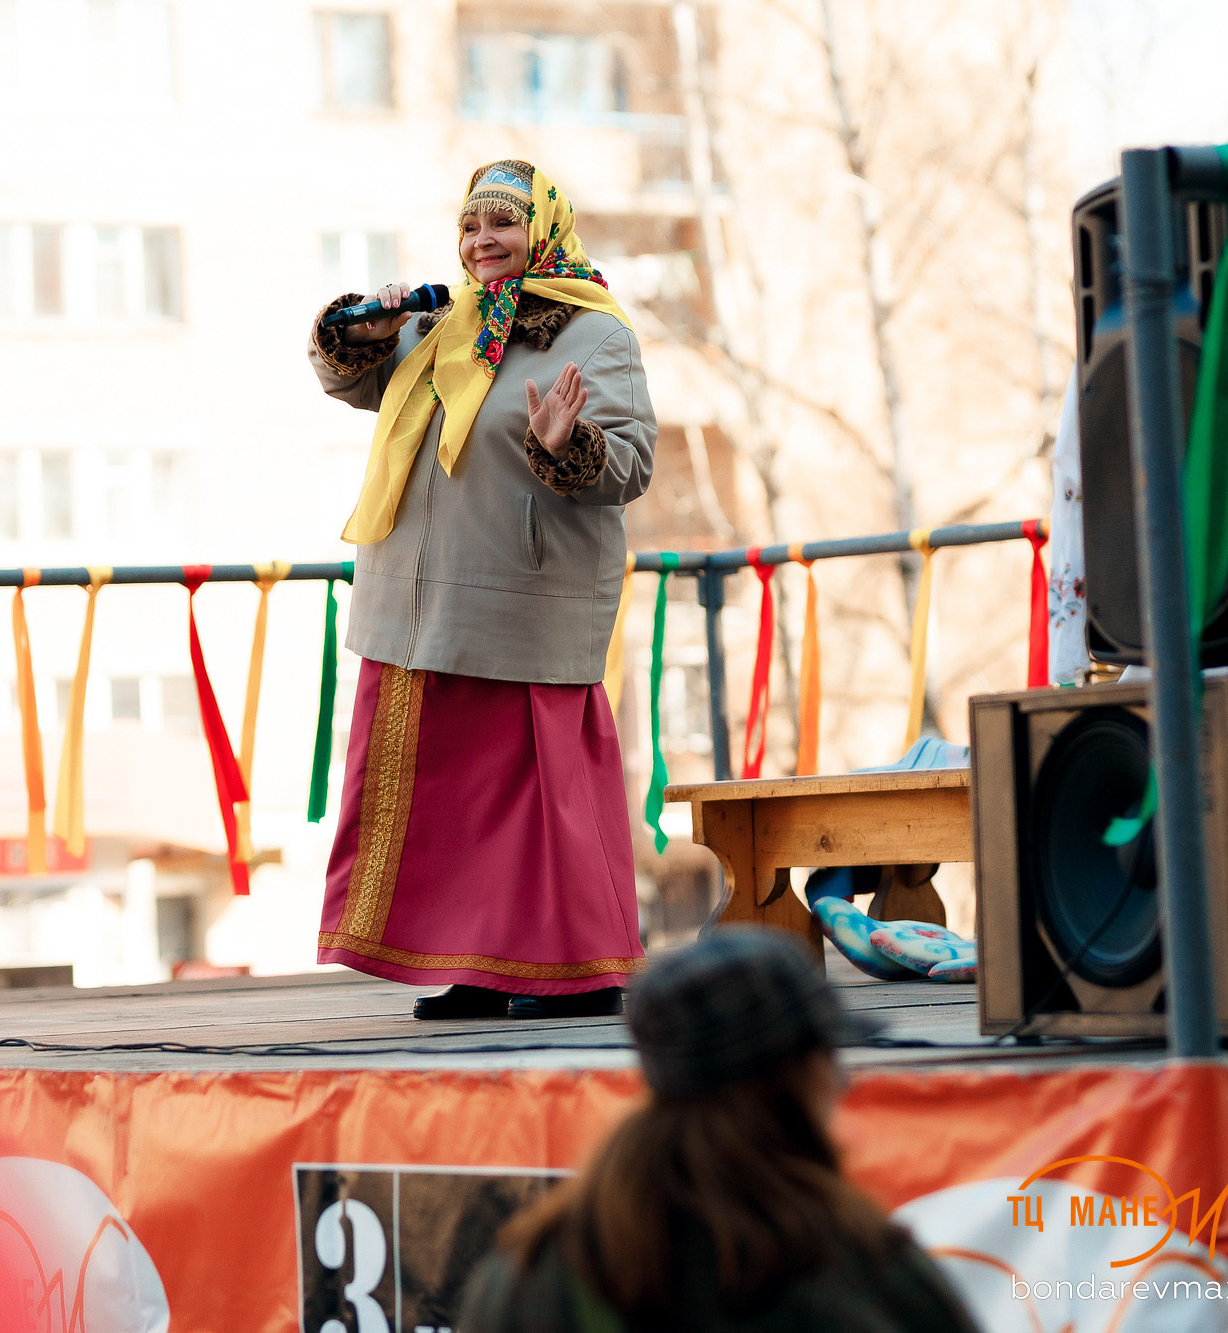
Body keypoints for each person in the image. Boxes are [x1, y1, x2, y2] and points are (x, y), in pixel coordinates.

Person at [308, 159, 657, 1020]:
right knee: (451, 793)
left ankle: (581, 973)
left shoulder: (596, 333)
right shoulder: (442, 325)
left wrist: (564, 443)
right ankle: (475, 965)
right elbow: (356, 383)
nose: (481, 243)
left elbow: (632, 463)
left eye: (500, 224)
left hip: (522, 595)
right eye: (470, 228)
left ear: (542, 230)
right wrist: (368, 326)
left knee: (537, 797)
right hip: (422, 599)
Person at [457, 929, 981, 1332]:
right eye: (829, 1057)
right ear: (793, 1079)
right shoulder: (864, 1275)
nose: (842, 1080)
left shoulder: (524, 1279)